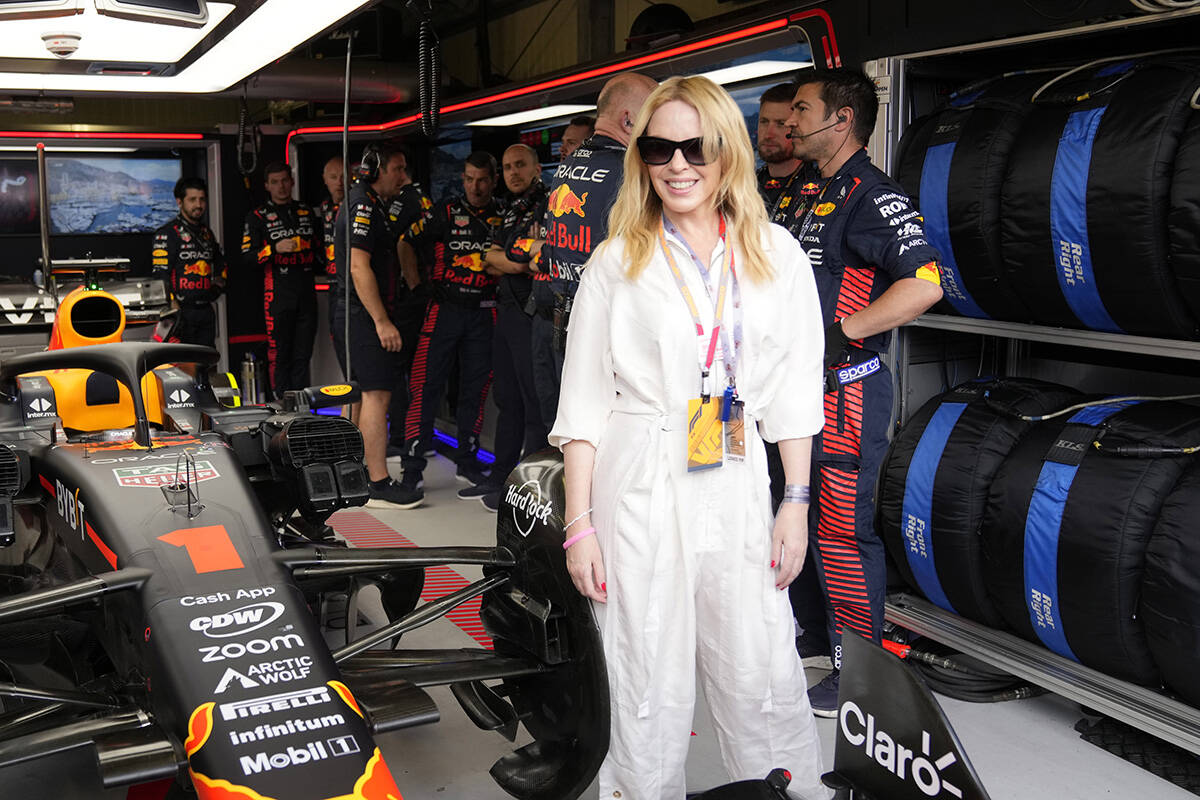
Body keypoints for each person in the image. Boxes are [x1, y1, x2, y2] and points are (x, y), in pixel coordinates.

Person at [551, 75, 830, 800]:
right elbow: (583, 404)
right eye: (659, 147)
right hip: (639, 474)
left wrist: (795, 502)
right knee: (642, 666)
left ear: (726, 152)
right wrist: (579, 526)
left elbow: (797, 392)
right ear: (639, 155)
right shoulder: (618, 262)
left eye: (695, 147)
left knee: (759, 657)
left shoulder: (776, 256)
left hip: (736, 472)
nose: (678, 164)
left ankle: (781, 790)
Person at [783, 67, 944, 716]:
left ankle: (861, 676)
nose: (789, 122)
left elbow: (925, 283)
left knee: (843, 535)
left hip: (843, 394)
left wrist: (840, 332)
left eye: (801, 109)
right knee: (797, 523)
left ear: (841, 118)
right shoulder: (806, 190)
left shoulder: (875, 196)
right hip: (793, 396)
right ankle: (819, 645)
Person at [531, 72, 657, 430]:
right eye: (652, 116)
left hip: (565, 324)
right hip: (610, 338)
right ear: (629, 120)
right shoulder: (631, 171)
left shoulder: (569, 165)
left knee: (575, 437)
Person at [399, 152, 503, 499]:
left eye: (483, 179)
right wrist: (417, 286)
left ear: (493, 180)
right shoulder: (445, 211)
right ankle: (412, 467)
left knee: (474, 389)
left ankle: (467, 459)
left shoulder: (502, 214)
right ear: (462, 179)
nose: (476, 186)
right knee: (425, 384)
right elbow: (405, 242)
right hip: (443, 310)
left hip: (484, 312)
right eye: (470, 179)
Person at [458, 143, 549, 511]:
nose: (513, 172)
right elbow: (491, 259)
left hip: (534, 314)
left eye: (520, 165)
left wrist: (512, 259)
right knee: (507, 399)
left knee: (533, 404)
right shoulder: (510, 207)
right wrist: (516, 261)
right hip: (507, 311)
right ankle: (501, 477)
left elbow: (542, 256)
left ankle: (526, 491)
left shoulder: (551, 202)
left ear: (537, 168)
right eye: (508, 166)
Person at [333, 143, 422, 509]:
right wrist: (383, 321)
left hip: (352, 311)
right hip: (362, 314)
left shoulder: (368, 202)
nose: (404, 176)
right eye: (397, 169)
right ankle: (377, 482)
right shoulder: (364, 205)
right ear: (376, 171)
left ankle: (347, 472)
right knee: (376, 394)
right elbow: (358, 266)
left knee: (356, 394)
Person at [241, 161, 321, 397]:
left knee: (304, 352)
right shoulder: (257, 216)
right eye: (275, 182)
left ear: (292, 181)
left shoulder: (306, 211)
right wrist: (274, 248)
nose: (281, 187)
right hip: (277, 291)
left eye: (285, 180)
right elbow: (247, 258)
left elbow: (320, 248)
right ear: (267, 186)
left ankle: (301, 404)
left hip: (306, 288)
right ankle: (281, 403)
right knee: (279, 352)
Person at [383, 147, 435, 462]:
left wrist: (414, 287)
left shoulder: (407, 198)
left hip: (412, 300)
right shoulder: (416, 198)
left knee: (403, 370)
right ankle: (415, 436)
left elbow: (401, 242)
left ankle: (405, 436)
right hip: (417, 297)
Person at [152, 177, 225, 348]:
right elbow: (160, 276)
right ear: (179, 202)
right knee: (184, 369)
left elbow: (221, 264)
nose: (198, 205)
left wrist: (217, 288)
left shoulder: (207, 234)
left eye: (202, 199)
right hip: (181, 312)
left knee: (207, 366)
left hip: (206, 310)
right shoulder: (167, 233)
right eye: (192, 200)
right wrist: (172, 305)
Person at [756, 82, 820, 224]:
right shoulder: (745, 184)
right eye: (764, 122)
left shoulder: (815, 186)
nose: (768, 134)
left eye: (780, 123)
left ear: (795, 124)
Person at [317, 155, 345, 327]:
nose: (339, 182)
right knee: (336, 333)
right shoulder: (324, 207)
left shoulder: (357, 203)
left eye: (343, 176)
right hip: (332, 282)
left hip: (353, 284)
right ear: (325, 180)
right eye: (334, 177)